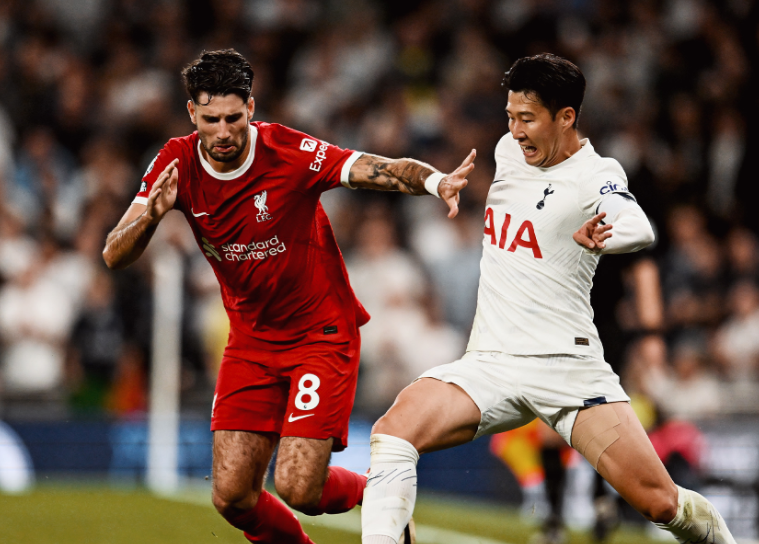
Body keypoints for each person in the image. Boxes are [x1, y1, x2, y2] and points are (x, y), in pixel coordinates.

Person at [360, 53, 737, 544]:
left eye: (528, 118)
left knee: (661, 503)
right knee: (393, 432)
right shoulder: (509, 151)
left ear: (566, 117)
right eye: (510, 116)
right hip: (490, 362)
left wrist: (606, 237)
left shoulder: (596, 174)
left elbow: (638, 227)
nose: (515, 131)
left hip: (566, 368)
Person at [102, 49, 475, 544]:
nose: (223, 131)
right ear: (192, 113)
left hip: (320, 334)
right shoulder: (176, 161)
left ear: (251, 109)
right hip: (250, 340)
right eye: (211, 120)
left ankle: (379, 493)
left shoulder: (289, 152)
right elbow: (113, 253)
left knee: (299, 486)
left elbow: (374, 167)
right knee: (232, 496)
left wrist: (435, 181)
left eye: (233, 118)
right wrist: (151, 216)